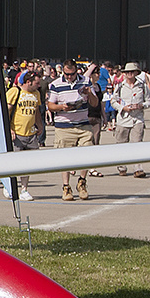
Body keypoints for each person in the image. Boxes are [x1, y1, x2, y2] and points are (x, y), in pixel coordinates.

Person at [48, 60, 95, 200]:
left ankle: (82, 182)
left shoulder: (86, 81)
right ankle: (66, 187)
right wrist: (62, 107)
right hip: (64, 125)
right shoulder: (56, 84)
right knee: (65, 157)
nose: (69, 77)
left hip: (83, 123)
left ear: (77, 71)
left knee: (87, 153)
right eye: (67, 74)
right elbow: (50, 105)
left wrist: (89, 94)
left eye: (72, 74)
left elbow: (95, 103)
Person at [3, 67, 42, 200]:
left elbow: (36, 111)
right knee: (14, 163)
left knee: (28, 163)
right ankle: (9, 186)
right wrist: (9, 129)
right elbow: (6, 112)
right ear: (28, 82)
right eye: (36, 83)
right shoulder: (15, 92)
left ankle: (24, 189)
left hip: (31, 133)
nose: (39, 85)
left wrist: (40, 125)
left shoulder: (36, 94)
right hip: (17, 133)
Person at [112, 63, 149, 178]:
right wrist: (122, 108)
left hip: (137, 119)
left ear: (137, 73)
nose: (130, 74)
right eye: (127, 72)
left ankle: (137, 169)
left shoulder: (142, 86)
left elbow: (148, 102)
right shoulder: (120, 86)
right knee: (121, 144)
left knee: (136, 144)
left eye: (132, 72)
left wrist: (141, 106)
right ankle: (122, 167)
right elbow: (113, 101)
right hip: (123, 119)